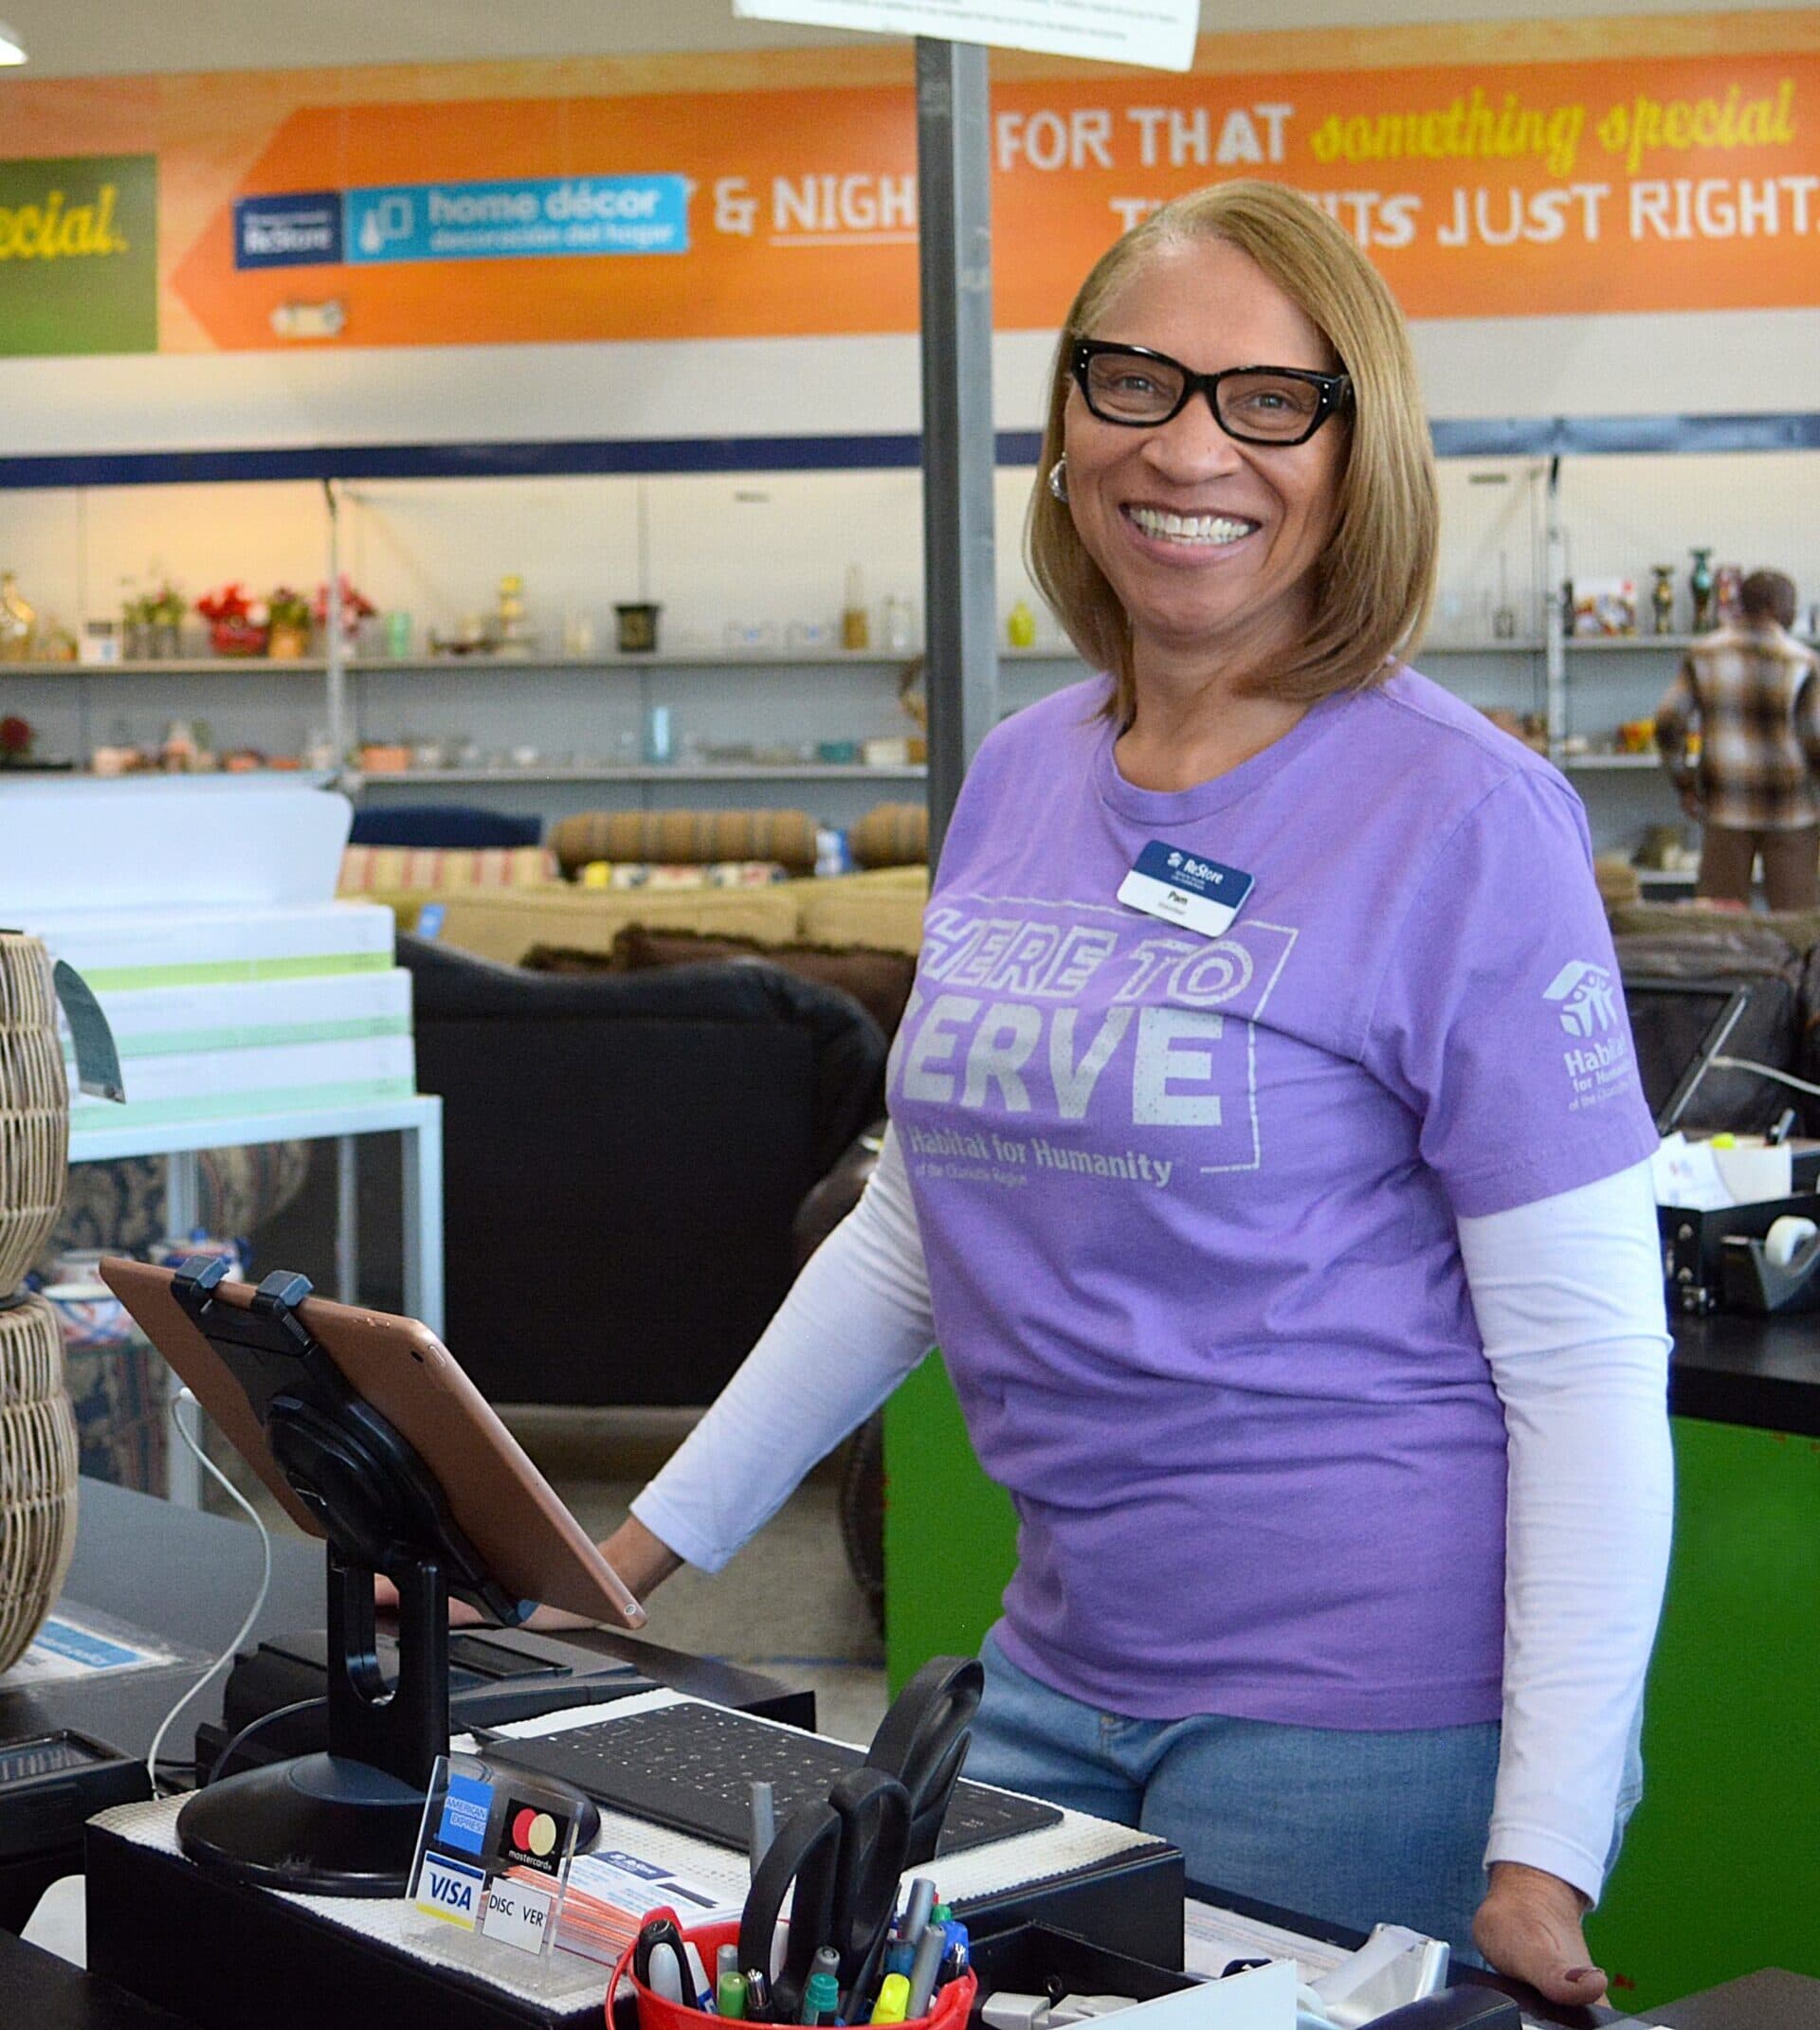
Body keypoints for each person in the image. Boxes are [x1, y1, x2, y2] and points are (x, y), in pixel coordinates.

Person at [592, 182, 1674, 2007]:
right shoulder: (1022, 774)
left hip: (1367, 1719)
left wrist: (1543, 1851)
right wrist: (626, 1552)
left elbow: (1585, 1365)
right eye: (1136, 380)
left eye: (1270, 399)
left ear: (1359, 448)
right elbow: (916, 1230)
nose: (1188, 446)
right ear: (1069, 415)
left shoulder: (1466, 817)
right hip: (1050, 1671)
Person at [1654, 569, 1820, 910]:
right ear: (1773, 605)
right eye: (1790, 605)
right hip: (1791, 810)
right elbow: (1815, 736)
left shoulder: (1703, 653)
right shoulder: (1803, 661)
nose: (1793, 613)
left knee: (1721, 922)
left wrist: (1685, 783)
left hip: (1724, 807)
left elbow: (1668, 724)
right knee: (1797, 924)